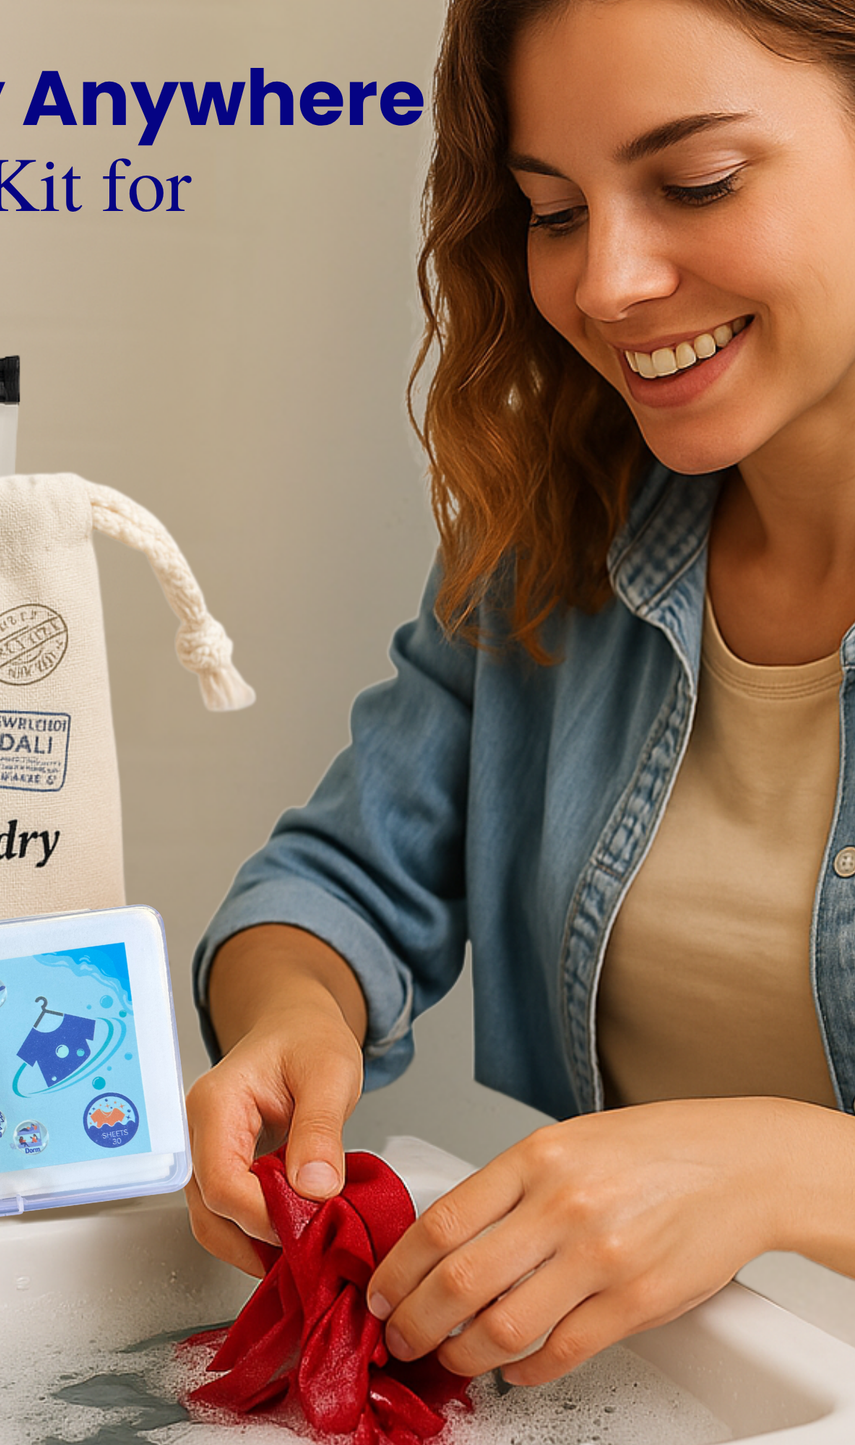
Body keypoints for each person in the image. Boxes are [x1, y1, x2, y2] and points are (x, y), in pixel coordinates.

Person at [186, 0, 855, 1390]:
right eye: (552, 211)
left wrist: (784, 1175)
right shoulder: (557, 536)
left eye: (697, 183)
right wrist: (292, 1018)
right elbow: (337, 888)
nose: (604, 282)